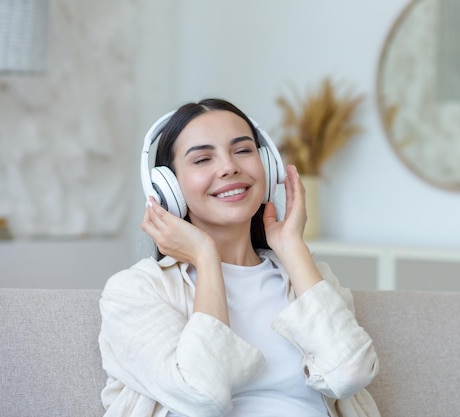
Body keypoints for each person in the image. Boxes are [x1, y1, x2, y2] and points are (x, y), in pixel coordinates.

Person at [98, 98, 381, 417]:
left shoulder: (307, 277)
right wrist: (206, 259)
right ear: (168, 188)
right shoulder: (135, 291)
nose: (229, 166)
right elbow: (203, 396)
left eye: (243, 150)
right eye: (203, 158)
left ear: (267, 166)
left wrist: (292, 247)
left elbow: (351, 374)